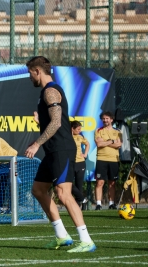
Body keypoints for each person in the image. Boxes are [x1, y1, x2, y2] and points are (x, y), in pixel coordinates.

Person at [24, 56, 95, 253]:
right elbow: (54, 122)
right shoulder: (45, 93)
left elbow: (56, 123)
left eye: (30, 73)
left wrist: (36, 143)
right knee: (38, 190)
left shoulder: (51, 92)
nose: (29, 77)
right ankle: (62, 236)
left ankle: (86, 240)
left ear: (38, 71)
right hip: (52, 151)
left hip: (61, 149)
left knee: (63, 194)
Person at [93, 111, 121, 210]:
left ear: (111, 119)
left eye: (107, 118)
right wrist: (112, 141)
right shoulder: (98, 130)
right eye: (103, 118)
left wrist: (105, 142)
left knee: (112, 183)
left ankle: (111, 203)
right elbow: (99, 144)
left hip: (114, 160)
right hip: (101, 159)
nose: (105, 120)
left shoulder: (117, 131)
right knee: (100, 182)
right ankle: (99, 204)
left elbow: (118, 145)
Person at [71, 121, 90, 206]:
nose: (80, 130)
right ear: (72, 129)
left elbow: (87, 144)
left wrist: (85, 154)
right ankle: (82, 199)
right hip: (70, 163)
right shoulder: (67, 136)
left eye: (80, 129)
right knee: (68, 184)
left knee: (79, 185)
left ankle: (79, 205)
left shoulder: (80, 135)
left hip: (80, 163)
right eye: (78, 129)